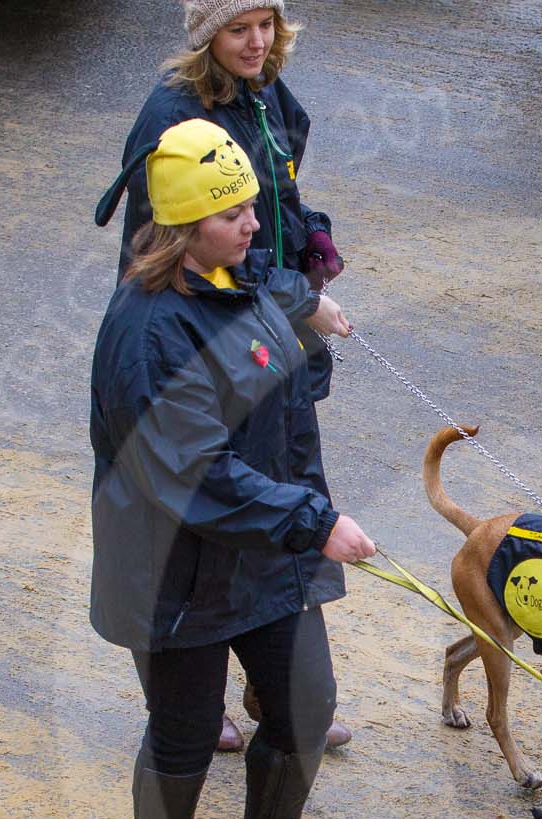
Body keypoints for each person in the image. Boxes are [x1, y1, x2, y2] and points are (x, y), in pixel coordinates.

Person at [89, 118, 375, 819]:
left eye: (253, 206)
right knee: (182, 734)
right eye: (233, 214)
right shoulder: (145, 332)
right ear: (181, 230)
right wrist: (315, 522)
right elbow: (190, 470)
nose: (254, 225)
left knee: (305, 704)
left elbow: (274, 297)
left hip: (264, 549)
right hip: (175, 565)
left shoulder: (236, 275)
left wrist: (311, 294)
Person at [105, 0, 350, 752]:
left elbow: (279, 192)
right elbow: (180, 247)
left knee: (280, 485)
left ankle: (278, 682)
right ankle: (187, 699)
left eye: (266, 24)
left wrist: (309, 238)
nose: (257, 42)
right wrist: (299, 298)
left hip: (262, 327)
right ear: (204, 34)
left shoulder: (268, 95)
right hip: (200, 334)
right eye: (238, 28)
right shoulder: (172, 118)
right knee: (186, 522)